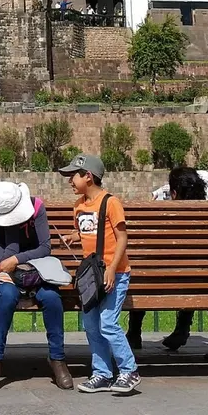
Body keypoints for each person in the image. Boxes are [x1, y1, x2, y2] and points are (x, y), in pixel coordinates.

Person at [0, 180, 72, 391]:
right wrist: (11, 233)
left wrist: (16, 262)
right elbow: (2, 259)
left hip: (36, 273)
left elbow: (45, 247)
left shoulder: (36, 207)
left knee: (51, 298)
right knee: (8, 295)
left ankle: (57, 358)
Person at [63, 154, 138, 395]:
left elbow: (122, 238)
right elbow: (87, 232)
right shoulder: (79, 206)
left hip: (113, 273)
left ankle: (129, 370)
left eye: (73, 176)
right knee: (91, 325)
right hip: (91, 275)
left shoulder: (111, 203)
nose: (70, 181)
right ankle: (102, 373)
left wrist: (112, 268)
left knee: (108, 323)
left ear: (88, 176)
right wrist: (72, 238)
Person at [130, 168, 208, 354]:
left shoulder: (160, 218)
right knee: (197, 275)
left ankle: (134, 332)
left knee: (142, 272)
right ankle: (201, 334)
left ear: (173, 193)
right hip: (200, 283)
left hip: (153, 282)